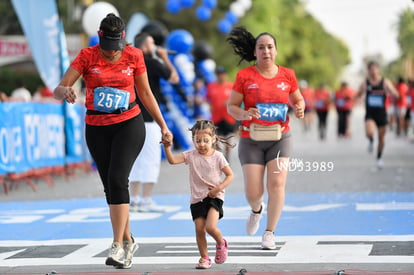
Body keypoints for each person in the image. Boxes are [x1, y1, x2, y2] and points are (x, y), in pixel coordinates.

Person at [53, 14, 173, 269]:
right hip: (97, 127)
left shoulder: (134, 55)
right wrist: (66, 91)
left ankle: (117, 245)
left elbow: (145, 92)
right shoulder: (87, 56)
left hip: (129, 123)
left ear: (124, 38)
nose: (111, 54)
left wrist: (163, 125)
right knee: (111, 187)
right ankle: (129, 240)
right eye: (107, 48)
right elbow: (59, 88)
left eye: (115, 48)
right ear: (99, 37)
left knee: (119, 179)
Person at [226, 26, 305, 250]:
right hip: (251, 138)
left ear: (276, 51)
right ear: (255, 52)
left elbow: (298, 99)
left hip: (280, 137)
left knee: (277, 184)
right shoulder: (244, 76)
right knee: (254, 193)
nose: (266, 51)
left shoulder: (287, 75)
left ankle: (269, 232)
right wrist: (244, 114)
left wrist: (299, 107)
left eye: (270, 47)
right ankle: (256, 209)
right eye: (261, 47)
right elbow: (231, 106)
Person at [163, 120, 234, 269]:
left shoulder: (218, 156)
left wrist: (218, 188)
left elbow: (230, 176)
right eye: (198, 141)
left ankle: (221, 242)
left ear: (213, 139)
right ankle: (204, 258)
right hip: (197, 198)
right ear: (193, 140)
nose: (202, 144)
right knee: (199, 228)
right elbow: (172, 161)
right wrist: (167, 147)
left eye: (205, 141)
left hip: (215, 196)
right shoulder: (190, 155)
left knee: (210, 227)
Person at [128, 32, 179, 212]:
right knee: (150, 158)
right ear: (144, 47)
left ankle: (133, 199)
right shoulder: (151, 62)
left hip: (130, 117)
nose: (155, 46)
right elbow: (174, 78)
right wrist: (165, 58)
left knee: (133, 159)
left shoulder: (129, 62)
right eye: (151, 43)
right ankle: (146, 199)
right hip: (149, 119)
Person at [355, 61, 399, 169]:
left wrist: (393, 94)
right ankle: (370, 140)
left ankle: (379, 158)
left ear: (378, 69)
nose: (373, 71)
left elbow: (396, 93)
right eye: (371, 69)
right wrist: (358, 98)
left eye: (375, 68)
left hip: (382, 113)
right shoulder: (365, 83)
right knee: (369, 132)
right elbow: (358, 94)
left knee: (381, 138)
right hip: (370, 113)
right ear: (368, 71)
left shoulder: (385, 82)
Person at [206, 66, 237, 159]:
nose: (221, 76)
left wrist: (230, 102)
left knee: (228, 138)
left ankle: (227, 157)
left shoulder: (231, 86)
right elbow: (207, 98)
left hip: (228, 117)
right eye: (219, 74)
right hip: (216, 117)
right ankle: (219, 156)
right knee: (215, 138)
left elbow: (237, 99)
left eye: (222, 74)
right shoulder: (211, 86)